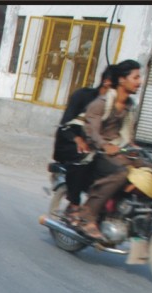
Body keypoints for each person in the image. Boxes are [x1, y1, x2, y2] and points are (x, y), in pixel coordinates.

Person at [70, 59, 142, 240]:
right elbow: (91, 131)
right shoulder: (101, 103)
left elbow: (127, 134)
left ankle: (126, 212)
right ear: (122, 80)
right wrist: (104, 145)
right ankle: (86, 215)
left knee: (150, 169)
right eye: (136, 77)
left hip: (118, 150)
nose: (139, 82)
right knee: (121, 172)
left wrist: (133, 147)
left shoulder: (129, 106)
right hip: (97, 152)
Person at [53, 65, 115, 214]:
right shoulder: (83, 96)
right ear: (107, 82)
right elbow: (65, 125)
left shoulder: (115, 106)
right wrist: (78, 139)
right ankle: (74, 203)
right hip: (68, 142)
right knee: (84, 157)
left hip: (94, 145)